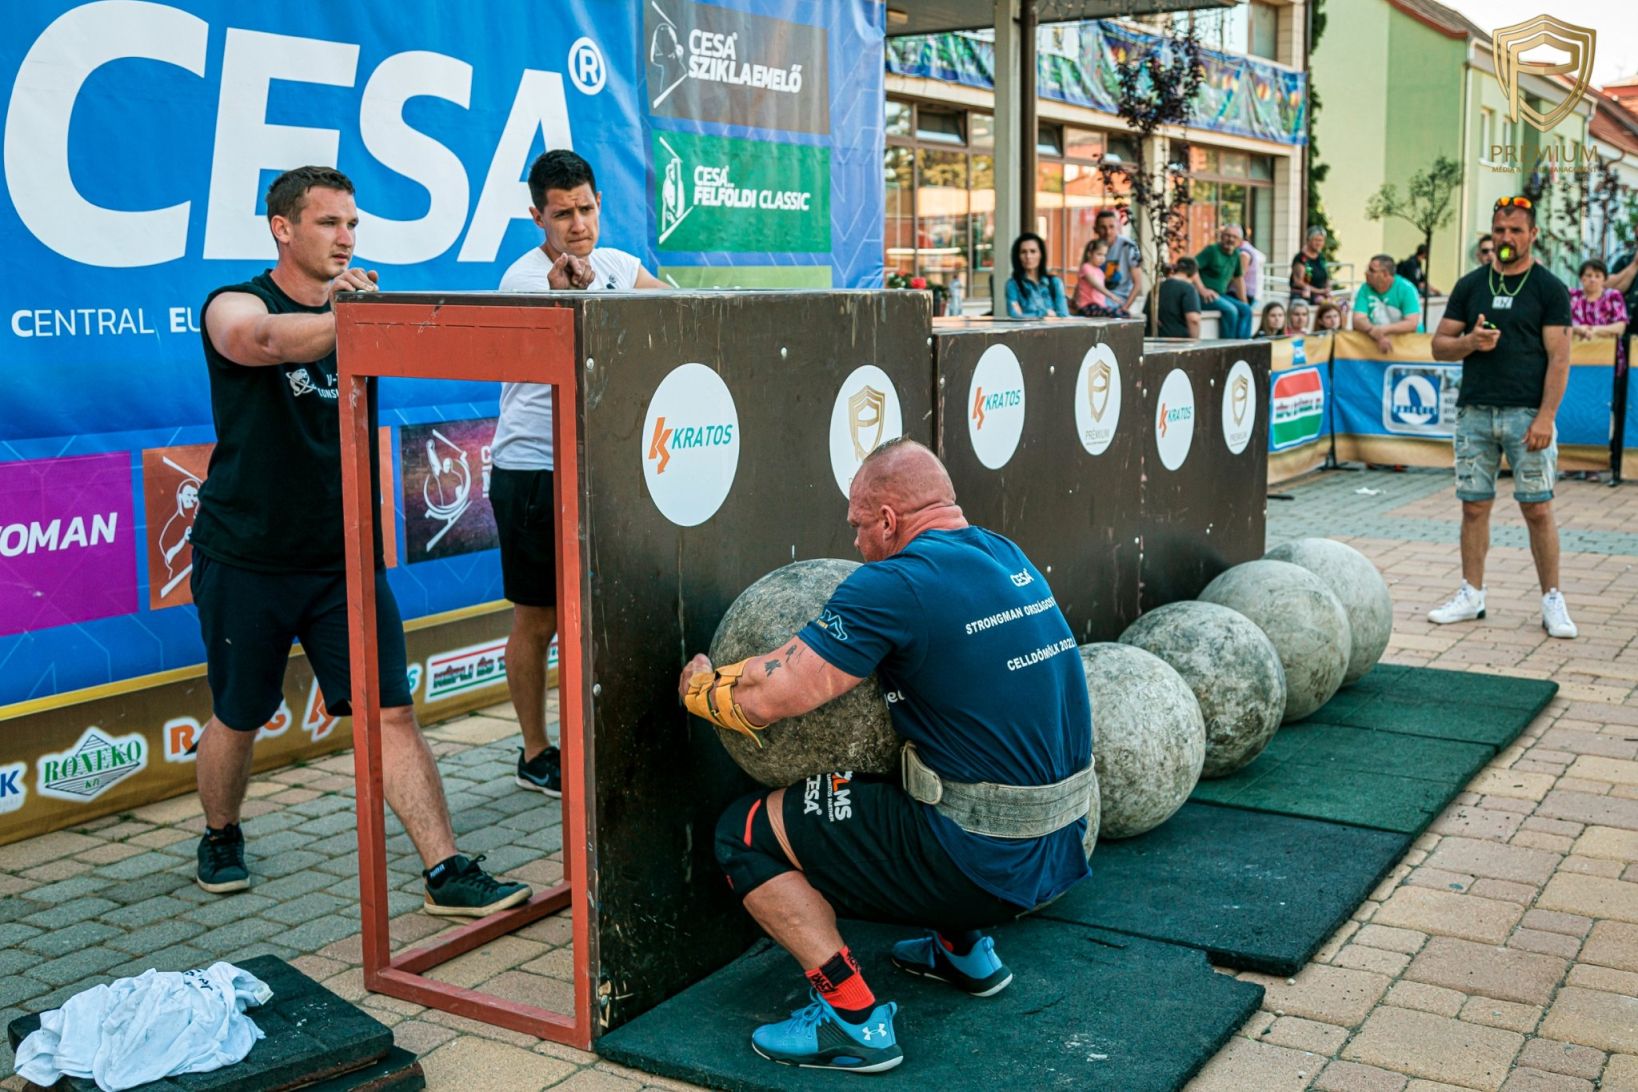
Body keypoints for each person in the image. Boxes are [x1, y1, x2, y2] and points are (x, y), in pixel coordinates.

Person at [679, 439, 1093, 1072]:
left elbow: (773, 696)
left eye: (857, 526)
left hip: (979, 860)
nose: (855, 543)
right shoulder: (1005, 553)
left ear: (889, 520)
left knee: (745, 833)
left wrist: (702, 691)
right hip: (1062, 844)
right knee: (915, 767)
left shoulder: (895, 583)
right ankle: (963, 950)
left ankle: (852, 1020)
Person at [190, 166, 532, 914]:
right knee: (240, 714)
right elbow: (263, 340)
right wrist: (351, 318)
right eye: (328, 223)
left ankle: (445, 871)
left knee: (391, 712)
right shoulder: (234, 302)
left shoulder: (363, 306)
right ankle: (220, 833)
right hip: (246, 554)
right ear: (282, 228)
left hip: (343, 558)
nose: (345, 237)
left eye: (352, 224)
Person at [491, 151, 664, 797]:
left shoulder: (618, 264)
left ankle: (604, 739)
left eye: (586, 209)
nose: (578, 224)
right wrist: (576, 294)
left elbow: (678, 311)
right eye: (562, 214)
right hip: (533, 471)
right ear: (537, 216)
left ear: (600, 204)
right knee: (538, 621)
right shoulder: (523, 279)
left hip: (603, 468)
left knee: (604, 615)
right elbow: (571, 345)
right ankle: (537, 752)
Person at [1430, 196, 1576, 639]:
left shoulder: (1549, 288)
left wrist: (1546, 416)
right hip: (1474, 412)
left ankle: (1552, 599)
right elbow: (1439, 346)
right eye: (1499, 230)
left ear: (1533, 235)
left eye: (1515, 230)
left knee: (1538, 508)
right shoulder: (1471, 284)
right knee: (1473, 506)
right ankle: (1471, 594)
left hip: (1527, 415)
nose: (1506, 238)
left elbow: (1560, 358)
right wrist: (1470, 342)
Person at [1351, 254, 1423, 354]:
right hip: (1377, 347)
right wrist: (1374, 331)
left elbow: (1411, 323)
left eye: (1371, 270)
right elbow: (1358, 319)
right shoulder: (1365, 288)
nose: (1366, 273)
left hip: (1409, 348)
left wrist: (1381, 330)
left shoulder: (1407, 289)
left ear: (1385, 274)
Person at [1192, 224, 1252, 339]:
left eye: (1234, 237)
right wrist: (1202, 290)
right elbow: (1192, 268)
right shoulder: (1212, 250)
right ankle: (1228, 346)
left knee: (1246, 310)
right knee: (1231, 311)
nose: (1230, 239)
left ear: (1240, 241)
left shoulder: (1236, 254)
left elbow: (1238, 279)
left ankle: (1243, 345)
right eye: (1227, 235)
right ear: (1221, 236)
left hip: (1221, 295)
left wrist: (1244, 301)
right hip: (1204, 297)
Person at [1005, 232, 1068, 318]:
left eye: (1033, 251)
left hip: (1054, 327)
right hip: (1026, 327)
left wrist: (1028, 315)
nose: (1028, 256)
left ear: (1041, 254)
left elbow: (1063, 315)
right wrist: (1044, 313)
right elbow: (1015, 317)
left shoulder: (1055, 283)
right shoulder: (1013, 285)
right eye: (1023, 252)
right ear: (1018, 256)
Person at [1093, 208, 1144, 313]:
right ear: (1095, 229)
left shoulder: (1129, 246)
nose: (1108, 232)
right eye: (1103, 227)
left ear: (1118, 227)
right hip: (1096, 298)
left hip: (1117, 301)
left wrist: (1124, 308)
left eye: (1111, 227)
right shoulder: (1093, 248)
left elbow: (1138, 284)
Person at [1072, 239, 1127, 318]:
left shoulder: (1100, 271)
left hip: (1099, 306)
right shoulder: (1086, 267)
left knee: (1124, 313)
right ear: (1089, 254)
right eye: (1099, 254)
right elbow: (1096, 285)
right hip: (1088, 306)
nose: (1102, 258)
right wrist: (1111, 295)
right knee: (1115, 313)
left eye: (1104, 255)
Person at [1155, 258, 1203, 338]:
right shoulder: (1188, 289)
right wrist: (1194, 341)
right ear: (1194, 274)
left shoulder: (1156, 288)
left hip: (1156, 340)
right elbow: (1193, 319)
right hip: (1179, 340)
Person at [1290, 226, 1333, 304]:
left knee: (1343, 304)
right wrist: (1320, 291)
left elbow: (1326, 277)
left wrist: (1328, 289)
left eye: (1321, 240)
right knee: (1328, 304)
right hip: (1304, 295)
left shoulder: (1321, 257)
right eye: (1316, 240)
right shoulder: (1300, 258)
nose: (1319, 243)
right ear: (1308, 240)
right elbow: (1298, 282)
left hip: (1321, 295)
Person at [1239, 230, 1268, 315]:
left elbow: (1239, 276)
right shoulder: (1251, 250)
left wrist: (1243, 300)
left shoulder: (1244, 252)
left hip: (1246, 293)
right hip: (1254, 293)